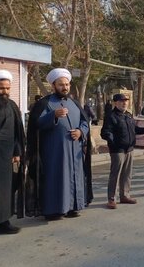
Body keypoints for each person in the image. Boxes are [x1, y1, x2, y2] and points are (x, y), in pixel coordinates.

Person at [27, 68, 93, 220]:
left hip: (74, 151)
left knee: (75, 177)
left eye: (67, 84)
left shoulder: (74, 103)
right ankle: (53, 210)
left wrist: (80, 132)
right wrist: (53, 116)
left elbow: (85, 122)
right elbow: (36, 125)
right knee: (56, 179)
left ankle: (72, 207)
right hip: (54, 152)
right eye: (61, 84)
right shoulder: (45, 103)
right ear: (53, 85)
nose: (65, 87)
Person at [100, 94, 144, 209]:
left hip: (129, 149)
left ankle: (124, 195)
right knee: (115, 174)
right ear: (115, 103)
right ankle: (111, 199)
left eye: (126, 101)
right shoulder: (111, 116)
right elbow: (105, 132)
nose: (124, 103)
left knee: (127, 174)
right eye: (121, 101)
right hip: (118, 150)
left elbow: (135, 130)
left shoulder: (128, 116)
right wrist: (111, 138)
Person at [0, 70, 25, 234]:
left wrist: (17, 152)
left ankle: (3, 223)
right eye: (0, 88)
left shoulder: (12, 106)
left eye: (7, 88)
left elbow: (18, 132)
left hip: (6, 157)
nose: (4, 91)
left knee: (4, 191)